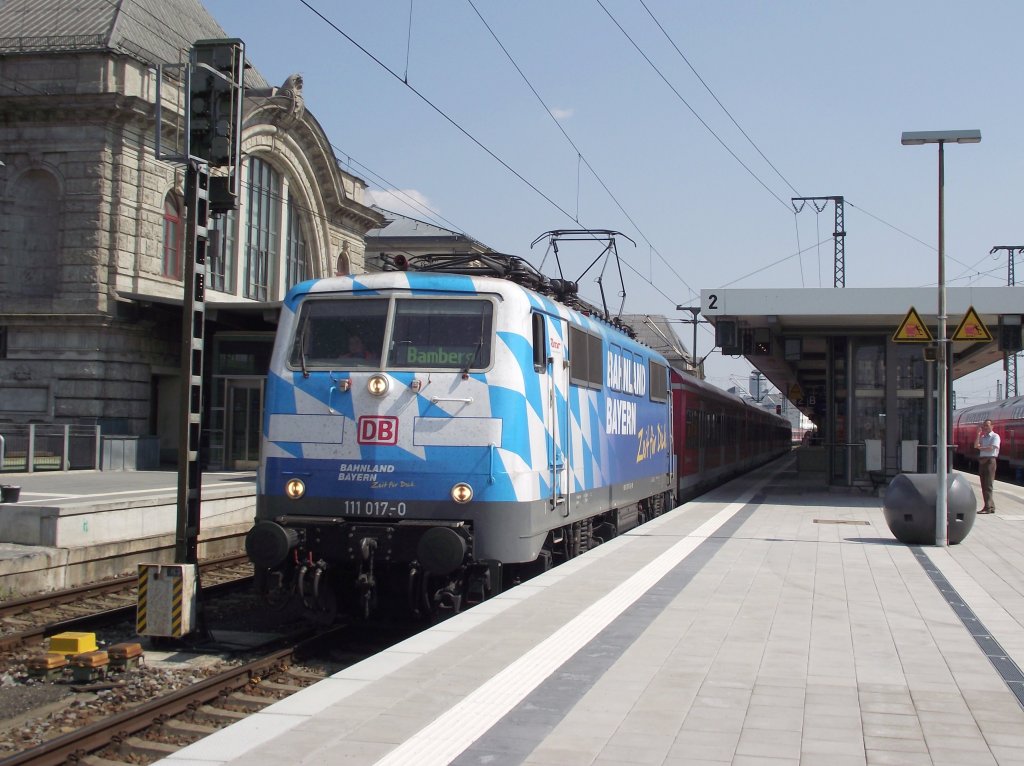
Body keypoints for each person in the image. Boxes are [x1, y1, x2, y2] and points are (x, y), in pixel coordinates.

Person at [974, 419, 1000, 514]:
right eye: (984, 425)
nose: (985, 427)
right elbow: (975, 445)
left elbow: (991, 448)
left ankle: (988, 508)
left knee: (988, 484)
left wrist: (981, 448)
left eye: (987, 425)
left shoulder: (995, 436)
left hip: (990, 461)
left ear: (992, 426)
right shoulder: (983, 437)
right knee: (984, 484)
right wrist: (978, 434)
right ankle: (991, 506)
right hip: (982, 461)